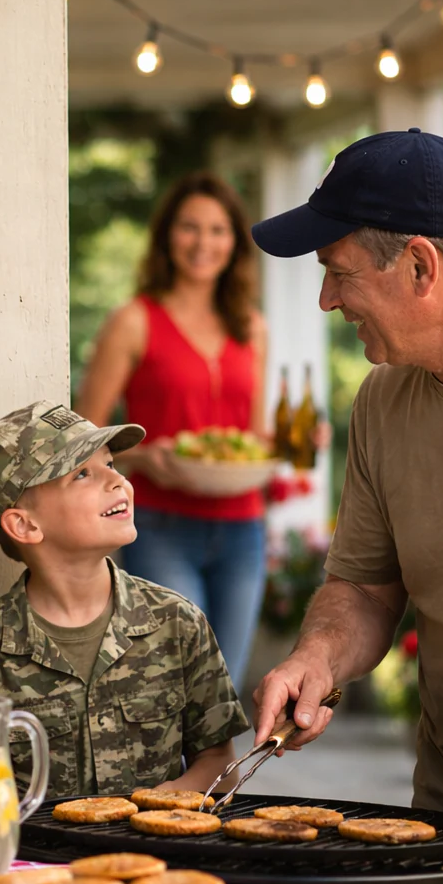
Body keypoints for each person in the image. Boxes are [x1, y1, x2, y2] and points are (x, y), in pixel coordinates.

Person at [250, 128, 443, 819]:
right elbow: (369, 591)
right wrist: (318, 657)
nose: (326, 301)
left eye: (338, 273)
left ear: (420, 267)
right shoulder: (383, 399)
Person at [0, 400, 249, 799]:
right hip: (37, 862)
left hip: (154, 857)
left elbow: (219, 762)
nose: (117, 482)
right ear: (25, 524)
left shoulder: (178, 622)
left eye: (111, 465)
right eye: (82, 474)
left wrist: (162, 806)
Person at [75, 172, 268, 691]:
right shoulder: (134, 321)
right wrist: (137, 460)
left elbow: (254, 435)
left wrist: (292, 446)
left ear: (234, 242)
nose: (204, 243)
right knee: (180, 683)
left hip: (242, 528)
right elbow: (82, 437)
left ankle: (214, 780)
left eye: (218, 230)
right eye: (189, 228)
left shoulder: (251, 328)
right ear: (166, 235)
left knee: (223, 692)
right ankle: (171, 779)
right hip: (160, 525)